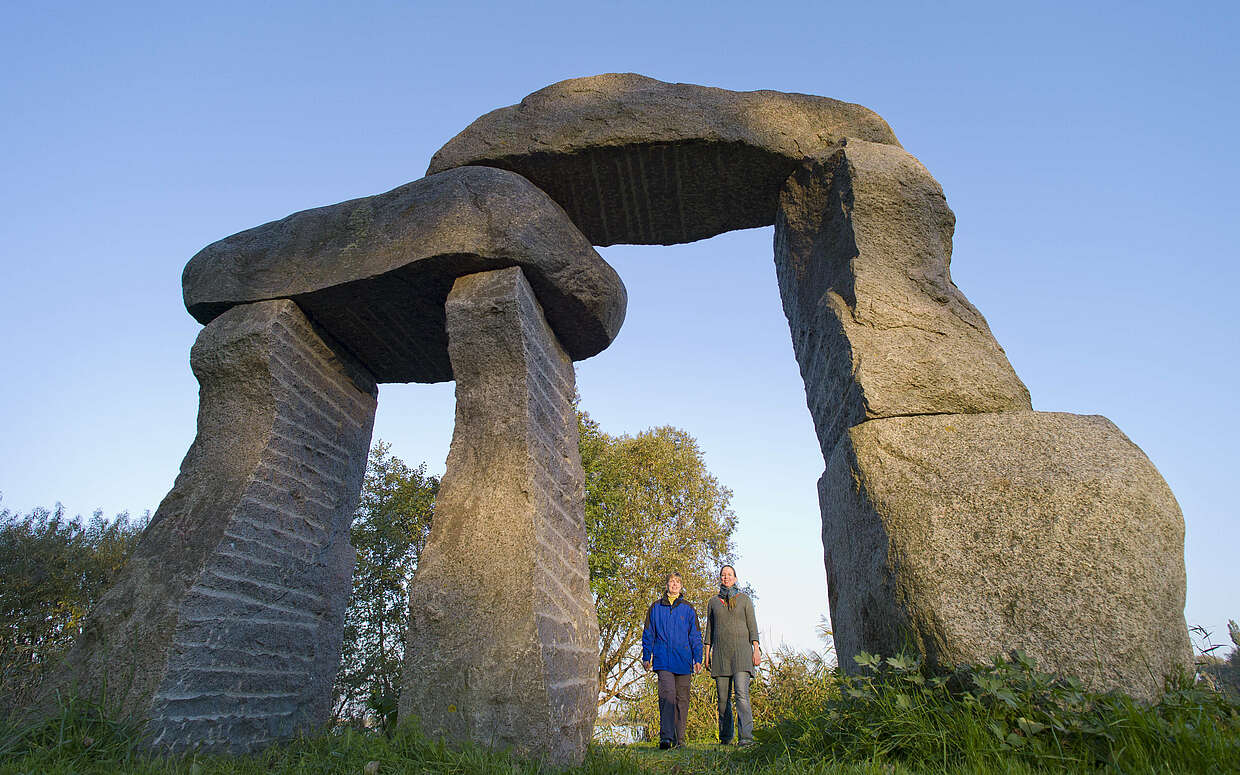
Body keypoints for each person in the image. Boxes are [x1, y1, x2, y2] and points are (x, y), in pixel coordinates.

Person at [641, 571, 703, 749]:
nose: (674, 585)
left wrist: (697, 658)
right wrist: (647, 656)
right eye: (671, 582)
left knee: (682, 700)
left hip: (684, 661)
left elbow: (695, 636)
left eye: (677, 582)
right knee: (667, 697)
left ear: (681, 586)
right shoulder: (655, 608)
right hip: (663, 661)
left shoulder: (689, 609)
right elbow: (648, 634)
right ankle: (666, 738)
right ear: (667, 585)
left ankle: (680, 739)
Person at [703, 564, 760, 746]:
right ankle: (726, 738)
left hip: (742, 654)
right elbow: (709, 630)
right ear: (720, 578)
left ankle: (746, 737)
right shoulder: (713, 602)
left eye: (729, 575)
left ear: (735, 578)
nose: (726, 577)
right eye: (723, 575)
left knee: (742, 695)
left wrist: (756, 649)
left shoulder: (744, 600)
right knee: (722, 700)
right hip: (720, 655)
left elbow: (753, 626)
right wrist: (707, 653)